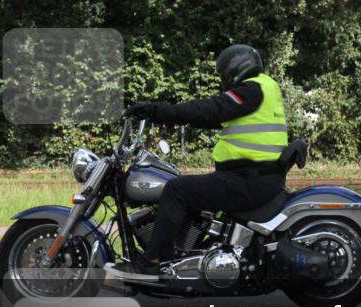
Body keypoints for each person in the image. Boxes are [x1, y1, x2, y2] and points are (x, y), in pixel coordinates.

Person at [105, 44, 288, 281]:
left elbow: (209, 109)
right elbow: (209, 116)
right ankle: (180, 255)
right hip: (254, 177)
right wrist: (169, 117)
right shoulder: (263, 88)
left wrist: (156, 111)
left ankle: (152, 261)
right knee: (186, 189)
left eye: (223, 74)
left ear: (234, 69)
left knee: (177, 189)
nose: (223, 79)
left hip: (248, 180)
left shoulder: (251, 90)